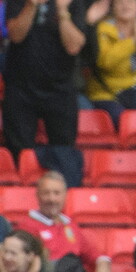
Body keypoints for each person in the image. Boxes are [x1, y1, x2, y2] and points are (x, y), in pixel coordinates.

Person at [18, 171, 116, 272]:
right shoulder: (27, 226)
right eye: (46, 193)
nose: (52, 199)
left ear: (65, 196)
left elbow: (91, 251)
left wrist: (102, 262)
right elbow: (29, 268)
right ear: (37, 196)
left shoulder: (70, 225)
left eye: (57, 193)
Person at [3, 0, 87, 161]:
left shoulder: (72, 2)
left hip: (60, 89)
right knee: (19, 153)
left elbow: (74, 46)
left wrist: (62, 11)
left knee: (64, 151)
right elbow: (15, 36)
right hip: (21, 88)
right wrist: (31, 5)